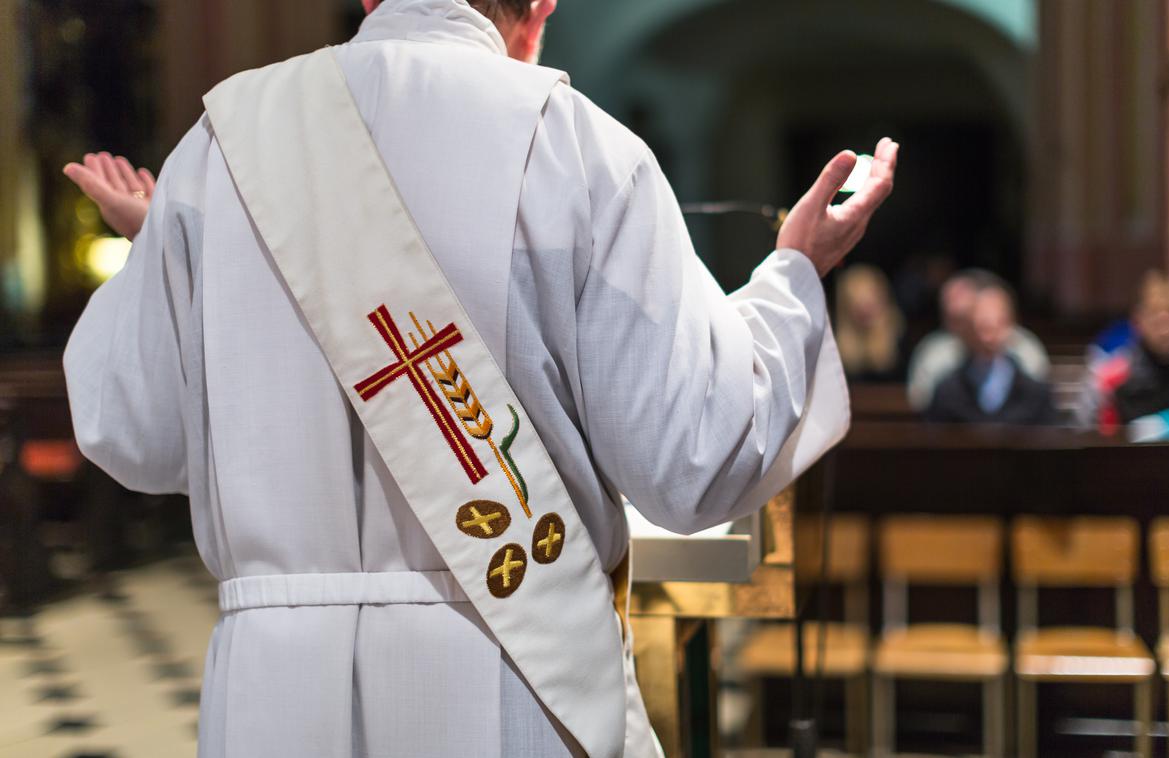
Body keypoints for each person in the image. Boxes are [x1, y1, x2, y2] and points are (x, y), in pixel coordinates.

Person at [61, 0, 898, 755]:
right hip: (507, 677)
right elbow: (691, 459)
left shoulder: (220, 148)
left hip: (271, 701)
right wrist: (791, 274)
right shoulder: (576, 145)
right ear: (539, 8)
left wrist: (189, 252)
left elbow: (129, 428)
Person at [906, 269, 1049, 411]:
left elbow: (1037, 395)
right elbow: (922, 401)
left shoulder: (1025, 348)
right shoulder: (935, 352)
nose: (988, 337)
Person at [926, 284, 1056, 426]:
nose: (989, 338)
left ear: (1011, 325)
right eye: (982, 327)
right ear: (969, 328)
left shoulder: (1035, 393)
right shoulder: (947, 392)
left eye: (998, 325)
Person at [1109, 271, 1169, 436]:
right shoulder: (1112, 375)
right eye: (1155, 318)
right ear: (1138, 319)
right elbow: (1091, 437)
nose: (1165, 330)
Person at [834, 263, 906, 383]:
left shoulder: (899, 337)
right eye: (858, 306)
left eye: (870, 304)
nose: (865, 312)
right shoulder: (833, 343)